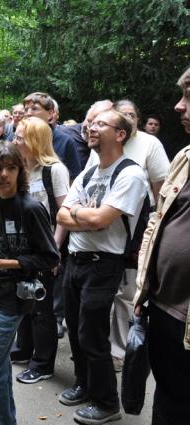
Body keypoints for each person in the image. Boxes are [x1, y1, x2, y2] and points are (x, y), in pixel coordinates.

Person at [56, 109, 148, 425]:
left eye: (99, 124)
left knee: (93, 335)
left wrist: (81, 215)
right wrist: (86, 216)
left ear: (120, 134)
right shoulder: (91, 170)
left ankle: (107, 403)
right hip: (76, 260)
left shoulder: (130, 174)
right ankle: (84, 384)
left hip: (103, 264)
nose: (90, 127)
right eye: (90, 123)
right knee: (76, 329)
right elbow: (62, 215)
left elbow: (102, 219)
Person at [0, 141, 59, 425]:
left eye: (11, 168)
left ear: (20, 171)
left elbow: (50, 257)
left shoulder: (31, 208)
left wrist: (4, 264)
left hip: (14, 301)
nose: (4, 174)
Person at [86, 99, 170, 370]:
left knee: (126, 291)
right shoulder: (100, 142)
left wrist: (157, 225)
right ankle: (95, 346)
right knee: (99, 291)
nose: (128, 119)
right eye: (123, 114)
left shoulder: (149, 144)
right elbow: (89, 179)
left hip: (137, 226)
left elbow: (162, 189)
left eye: (133, 115)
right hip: (99, 223)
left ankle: (119, 350)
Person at [133, 66, 190, 425]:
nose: (178, 106)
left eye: (189, 95)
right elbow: (156, 222)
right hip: (164, 312)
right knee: (168, 404)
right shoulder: (184, 157)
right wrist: (143, 291)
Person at [10, 117, 70, 383]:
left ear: (35, 141)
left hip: (45, 250)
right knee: (23, 301)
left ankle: (43, 364)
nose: (14, 141)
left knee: (42, 310)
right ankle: (23, 349)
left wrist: (54, 251)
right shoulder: (20, 168)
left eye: (20, 137)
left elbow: (63, 213)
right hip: (21, 248)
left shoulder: (54, 170)